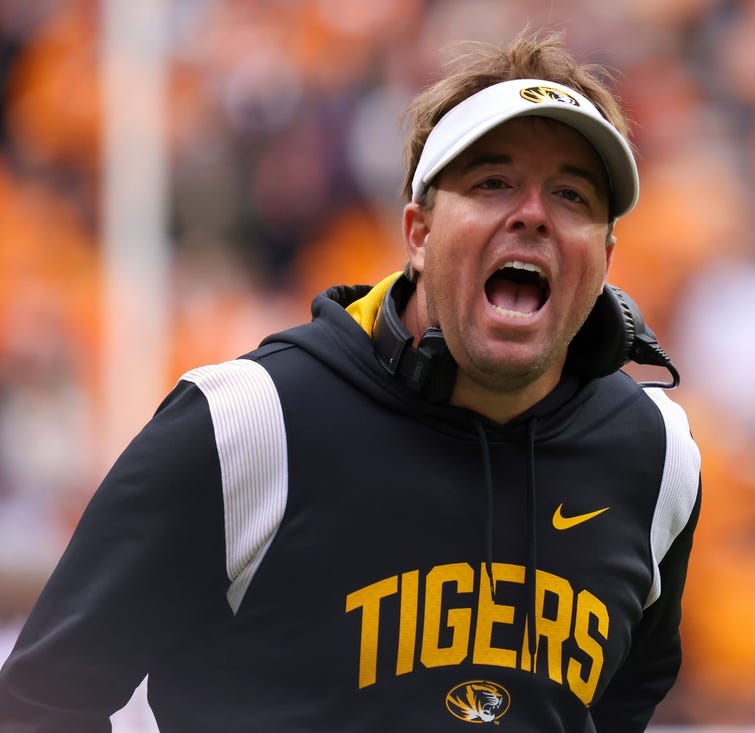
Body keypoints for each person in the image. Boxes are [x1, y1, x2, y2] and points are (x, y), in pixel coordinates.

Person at [0, 31, 701, 732]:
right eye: (492, 182)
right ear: (418, 234)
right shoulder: (247, 425)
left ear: (606, 257)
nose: (533, 214)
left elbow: (622, 707)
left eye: (572, 195)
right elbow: (40, 703)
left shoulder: (657, 459)